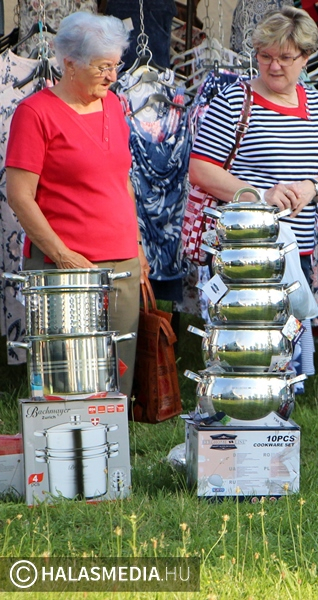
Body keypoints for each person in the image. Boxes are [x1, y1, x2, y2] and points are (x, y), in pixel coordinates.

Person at [189, 6, 318, 381]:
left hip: (295, 254)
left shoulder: (317, 105)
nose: (274, 66)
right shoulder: (234, 101)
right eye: (265, 56)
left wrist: (312, 188)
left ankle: (281, 407)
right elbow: (201, 170)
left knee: (284, 350)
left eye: (285, 58)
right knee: (244, 350)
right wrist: (260, 195)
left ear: (306, 57)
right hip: (244, 255)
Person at [6, 12, 149, 398]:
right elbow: (19, 195)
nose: (112, 76)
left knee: (118, 375)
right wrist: (62, 255)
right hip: (65, 268)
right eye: (103, 67)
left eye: (116, 66)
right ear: (69, 64)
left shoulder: (114, 105)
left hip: (121, 262)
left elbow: (121, 181)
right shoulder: (35, 113)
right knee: (68, 383)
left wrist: (136, 245)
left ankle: (115, 437)